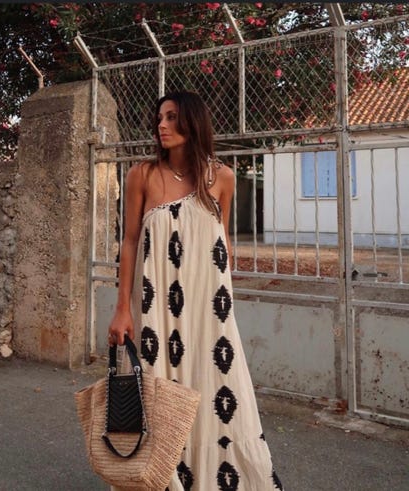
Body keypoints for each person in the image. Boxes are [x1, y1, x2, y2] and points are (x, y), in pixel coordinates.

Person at [108, 90, 283, 491]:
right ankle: (160, 477)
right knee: (156, 393)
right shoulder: (142, 175)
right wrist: (122, 308)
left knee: (215, 391)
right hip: (156, 310)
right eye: (159, 118)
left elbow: (222, 243)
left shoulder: (222, 178)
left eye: (171, 117)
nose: (162, 125)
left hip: (208, 315)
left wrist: (222, 307)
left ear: (192, 121)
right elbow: (130, 242)